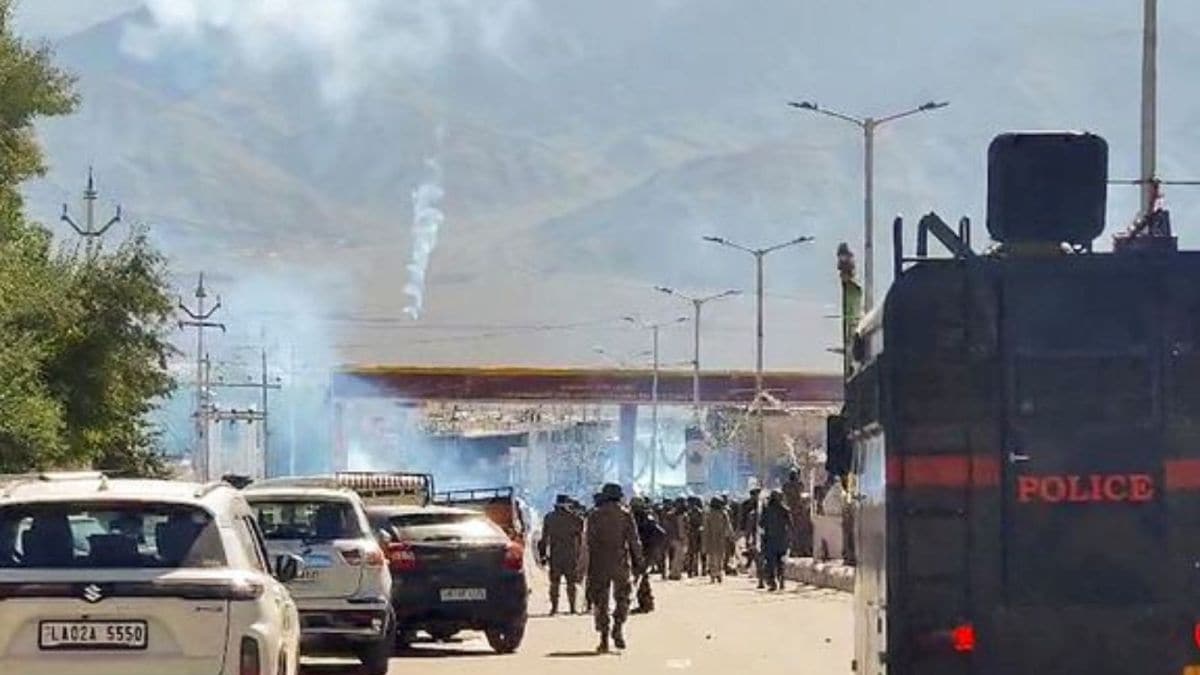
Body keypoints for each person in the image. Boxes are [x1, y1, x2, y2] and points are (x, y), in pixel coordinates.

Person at [586, 483, 644, 653]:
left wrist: (584, 567)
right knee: (623, 598)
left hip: (599, 562)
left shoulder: (594, 515)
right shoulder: (625, 514)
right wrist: (639, 561)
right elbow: (634, 540)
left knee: (600, 601)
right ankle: (618, 627)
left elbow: (588, 542)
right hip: (620, 562)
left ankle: (604, 637)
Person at [538, 494, 585, 615]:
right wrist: (579, 555)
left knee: (554, 583)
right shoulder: (575, 518)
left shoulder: (549, 518)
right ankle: (572, 608)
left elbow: (543, 539)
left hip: (555, 554)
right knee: (571, 583)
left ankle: (554, 608)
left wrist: (542, 555)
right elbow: (580, 538)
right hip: (570, 554)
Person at [630, 497, 665, 614]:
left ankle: (646, 603)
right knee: (642, 578)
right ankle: (646, 602)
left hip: (642, 551)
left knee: (641, 577)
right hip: (643, 551)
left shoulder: (643, 519)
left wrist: (652, 548)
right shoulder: (643, 518)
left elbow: (660, 534)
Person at [759, 491, 793, 591]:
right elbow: (791, 525)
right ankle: (781, 580)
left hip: (770, 540)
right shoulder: (785, 510)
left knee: (771, 562)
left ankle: (773, 583)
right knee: (780, 562)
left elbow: (761, 523)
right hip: (782, 540)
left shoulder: (767, 509)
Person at [701, 497, 734, 583]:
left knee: (713, 558)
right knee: (719, 557)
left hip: (713, 538)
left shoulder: (710, 514)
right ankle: (717, 573)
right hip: (719, 538)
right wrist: (730, 536)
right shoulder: (722, 513)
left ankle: (714, 574)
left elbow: (705, 528)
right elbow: (728, 527)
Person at [782, 470, 813, 557]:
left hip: (793, 510)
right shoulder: (798, 485)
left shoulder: (786, 486)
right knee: (798, 530)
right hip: (797, 510)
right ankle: (799, 549)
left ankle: (796, 549)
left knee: (795, 531)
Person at [740, 488, 763, 587]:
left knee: (760, 557)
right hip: (754, 535)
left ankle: (761, 577)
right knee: (758, 557)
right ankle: (760, 579)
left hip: (763, 536)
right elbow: (743, 518)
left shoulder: (763, 506)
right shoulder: (747, 506)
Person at [662, 498, 687, 580]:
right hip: (676, 537)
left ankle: (676, 572)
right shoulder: (672, 515)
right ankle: (674, 573)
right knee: (678, 556)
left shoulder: (681, 514)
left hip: (680, 537)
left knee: (679, 556)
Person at [684, 496, 704, 577]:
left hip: (694, 534)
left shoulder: (693, 512)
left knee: (692, 553)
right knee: (699, 553)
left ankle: (691, 570)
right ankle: (699, 570)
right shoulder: (700, 512)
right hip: (697, 534)